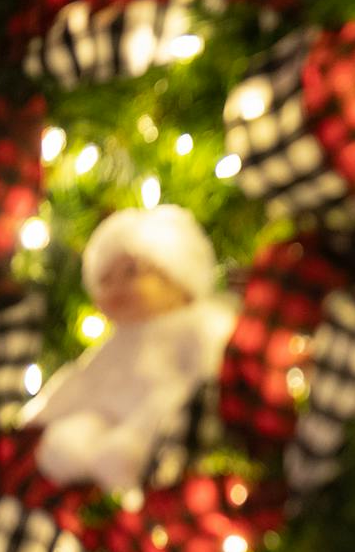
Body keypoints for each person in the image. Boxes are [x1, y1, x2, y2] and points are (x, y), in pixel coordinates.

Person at [19, 205, 237, 495]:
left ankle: (129, 457)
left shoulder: (196, 324)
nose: (116, 288)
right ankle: (81, 462)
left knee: (164, 407)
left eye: (131, 271)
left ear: (176, 277)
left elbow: (213, 362)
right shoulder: (115, 342)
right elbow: (81, 379)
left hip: (162, 414)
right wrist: (39, 415)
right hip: (107, 416)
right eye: (105, 280)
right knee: (70, 436)